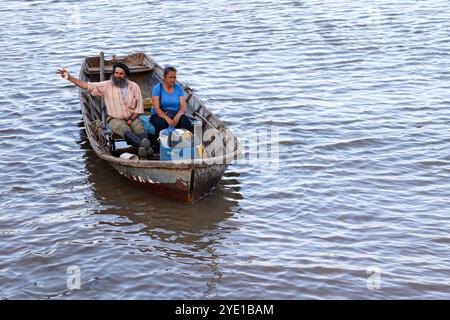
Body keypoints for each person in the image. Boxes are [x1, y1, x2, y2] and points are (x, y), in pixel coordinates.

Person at [58, 62, 153, 158]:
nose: (118, 76)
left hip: (132, 117)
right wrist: (69, 77)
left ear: (126, 76)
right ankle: (145, 148)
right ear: (113, 73)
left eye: (121, 74)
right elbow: (86, 85)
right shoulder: (107, 85)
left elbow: (139, 107)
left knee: (139, 129)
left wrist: (131, 120)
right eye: (116, 73)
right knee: (124, 129)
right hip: (114, 119)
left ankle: (144, 148)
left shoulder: (134, 87)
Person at [150, 66, 192, 150]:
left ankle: (184, 145)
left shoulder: (179, 89)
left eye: (174, 77)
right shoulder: (157, 88)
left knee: (185, 121)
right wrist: (167, 119)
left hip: (175, 114)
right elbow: (157, 108)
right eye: (170, 77)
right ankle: (160, 147)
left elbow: (183, 107)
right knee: (161, 123)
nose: (173, 80)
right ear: (164, 78)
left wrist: (178, 115)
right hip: (160, 114)